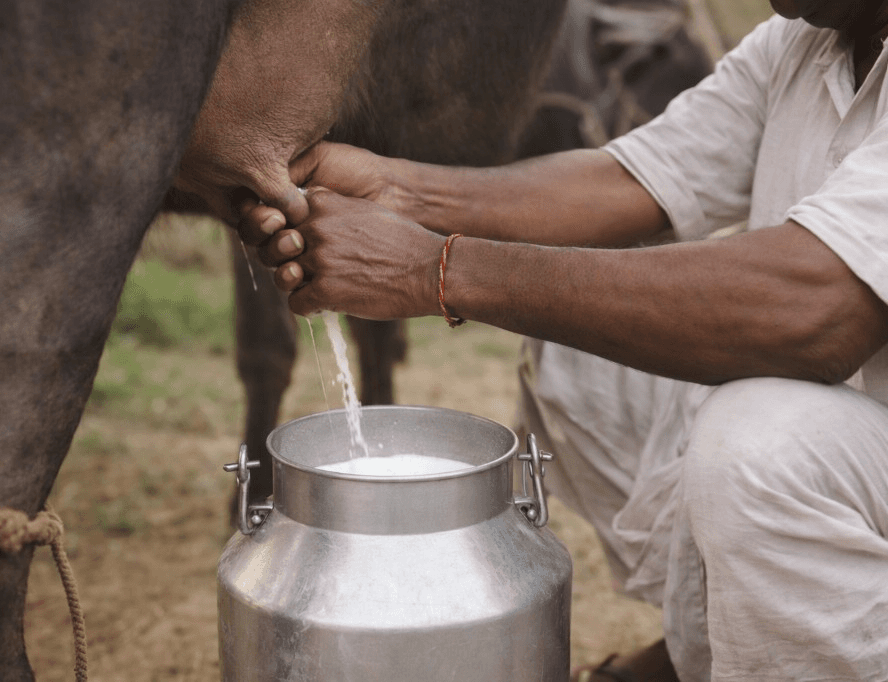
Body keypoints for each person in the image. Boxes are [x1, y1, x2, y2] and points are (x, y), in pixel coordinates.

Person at [235, 1, 888, 679]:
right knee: (582, 359)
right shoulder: (802, 41)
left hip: (838, 440)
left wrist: (434, 269)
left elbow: (819, 307)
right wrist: (400, 191)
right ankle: (732, 641)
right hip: (853, 446)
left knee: (761, 448)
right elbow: (634, 179)